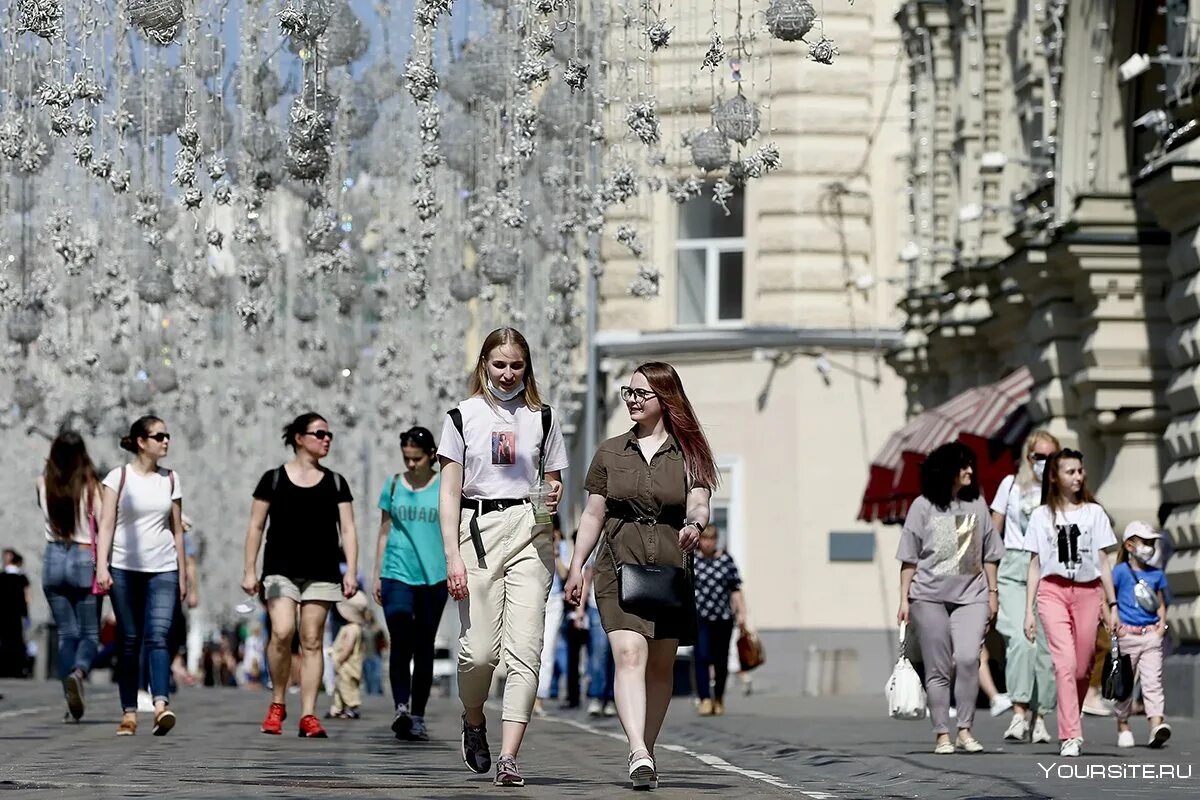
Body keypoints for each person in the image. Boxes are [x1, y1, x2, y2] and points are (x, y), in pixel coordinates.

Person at [566, 362, 717, 790]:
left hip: (670, 570)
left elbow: (699, 501)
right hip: (617, 565)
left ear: (665, 400)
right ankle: (637, 750)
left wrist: (694, 525)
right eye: (628, 393)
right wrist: (578, 565)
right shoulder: (610, 452)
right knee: (630, 654)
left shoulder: (690, 453)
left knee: (661, 665)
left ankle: (646, 750)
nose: (631, 401)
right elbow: (594, 514)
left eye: (640, 394)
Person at [439, 327, 567, 787]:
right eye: (500, 365)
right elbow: (449, 493)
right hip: (477, 529)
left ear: (526, 368)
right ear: (484, 366)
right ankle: (474, 719)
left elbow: (553, 482)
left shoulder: (543, 417)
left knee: (525, 650)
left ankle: (510, 757)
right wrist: (452, 557)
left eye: (517, 366)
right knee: (478, 655)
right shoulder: (461, 417)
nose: (509, 374)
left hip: (531, 532)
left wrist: (551, 500)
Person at [242, 412, 358, 739]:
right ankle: (278, 701)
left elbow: (348, 529)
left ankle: (308, 713)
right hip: (280, 569)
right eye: (319, 433)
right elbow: (255, 526)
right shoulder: (273, 479)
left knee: (311, 639)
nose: (326, 439)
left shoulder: (336, 482)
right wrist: (249, 570)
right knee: (282, 631)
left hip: (322, 571)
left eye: (329, 434)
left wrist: (351, 570)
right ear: (298, 437)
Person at [896, 442, 1003, 755]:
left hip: (972, 596)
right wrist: (904, 599)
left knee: (969, 658)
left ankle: (965, 730)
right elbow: (909, 559)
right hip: (928, 598)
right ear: (947, 471)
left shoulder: (978, 504)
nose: (970, 470)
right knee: (938, 667)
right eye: (964, 465)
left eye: (971, 465)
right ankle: (942, 732)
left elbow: (990, 554)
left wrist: (993, 593)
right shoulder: (923, 506)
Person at [1022, 448, 1119, 758]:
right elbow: (1035, 564)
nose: (1078, 476)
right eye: (1070, 471)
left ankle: (1070, 717)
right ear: (1055, 476)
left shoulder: (1095, 513)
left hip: (1089, 593)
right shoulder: (1040, 516)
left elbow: (1104, 562)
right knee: (1064, 664)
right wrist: (1029, 611)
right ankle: (1070, 734)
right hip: (1052, 592)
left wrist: (1111, 605)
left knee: (1083, 666)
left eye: (1080, 470)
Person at [95, 415, 187, 736]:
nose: (165, 441)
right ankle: (129, 713)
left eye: (167, 435)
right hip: (123, 568)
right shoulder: (117, 478)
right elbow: (105, 524)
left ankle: (161, 706)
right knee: (130, 640)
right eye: (159, 436)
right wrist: (102, 566)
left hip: (163, 569)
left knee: (159, 636)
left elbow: (177, 531)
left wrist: (183, 574)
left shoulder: (171, 479)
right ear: (140, 442)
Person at [373, 426, 448, 742]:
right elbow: (385, 531)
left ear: (432, 455)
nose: (411, 464)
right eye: (406, 458)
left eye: (416, 459)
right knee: (400, 636)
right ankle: (401, 708)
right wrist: (377, 572)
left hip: (434, 576)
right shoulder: (393, 484)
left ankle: (418, 715)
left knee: (424, 645)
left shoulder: (446, 486)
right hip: (396, 573)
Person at [989, 430, 1060, 743]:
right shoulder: (1011, 484)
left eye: (1051, 457)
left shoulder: (1061, 490)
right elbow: (995, 529)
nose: (1044, 463)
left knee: (1045, 647)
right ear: (1028, 457)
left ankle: (1040, 715)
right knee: (1021, 639)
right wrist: (986, 575)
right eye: (1038, 457)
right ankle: (1019, 711)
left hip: (1049, 568)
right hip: (1013, 567)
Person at [37, 431, 103, 721]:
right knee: (89, 633)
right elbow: (104, 523)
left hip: (53, 557)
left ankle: (69, 699)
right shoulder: (91, 486)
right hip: (83, 557)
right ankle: (78, 673)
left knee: (66, 634)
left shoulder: (43, 483)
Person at [1111, 521, 1171, 749]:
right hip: (1127, 636)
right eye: (1145, 542)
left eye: (1152, 543)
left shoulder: (1157, 574)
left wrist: (1161, 626)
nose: (1150, 547)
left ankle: (1157, 725)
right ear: (1129, 545)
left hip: (1150, 637)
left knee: (1152, 682)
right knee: (1124, 685)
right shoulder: (1120, 572)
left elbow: (1160, 602)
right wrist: (1113, 623)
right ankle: (1123, 724)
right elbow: (1108, 599)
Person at [692, 525, 746, 717]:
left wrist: (741, 613)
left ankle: (719, 697)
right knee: (702, 657)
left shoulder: (726, 559)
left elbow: (736, 587)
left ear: (716, 540)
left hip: (723, 617)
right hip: (700, 616)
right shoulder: (693, 560)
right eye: (705, 539)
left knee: (721, 660)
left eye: (712, 538)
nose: (708, 542)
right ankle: (705, 698)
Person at [534, 519, 570, 717]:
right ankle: (524, 696)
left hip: (554, 600)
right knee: (529, 646)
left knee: (547, 650)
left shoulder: (561, 546)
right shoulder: (532, 541)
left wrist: (555, 551)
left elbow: (564, 574)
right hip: (533, 596)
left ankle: (540, 697)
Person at [328, 590, 368, 719]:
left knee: (347, 687)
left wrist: (340, 658)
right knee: (340, 686)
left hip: (347, 665)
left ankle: (351, 707)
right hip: (346, 665)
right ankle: (339, 707)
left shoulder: (352, 629)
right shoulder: (354, 627)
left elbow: (348, 647)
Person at [0, 548, 31, 678]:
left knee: (10, 640)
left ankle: (12, 668)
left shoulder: (17, 576)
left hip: (10, 613)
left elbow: (27, 596)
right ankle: (14, 668)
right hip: (14, 613)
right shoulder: (19, 577)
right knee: (13, 640)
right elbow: (27, 596)